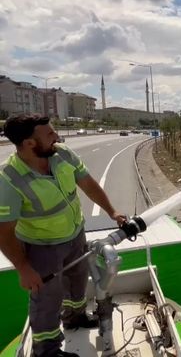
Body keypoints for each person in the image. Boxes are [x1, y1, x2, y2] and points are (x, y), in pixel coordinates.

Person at [0, 114, 126, 357]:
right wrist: (23, 267)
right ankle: (46, 350)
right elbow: (3, 231)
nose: (56, 136)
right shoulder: (9, 179)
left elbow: (88, 184)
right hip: (42, 247)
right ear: (29, 143)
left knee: (78, 280)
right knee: (46, 298)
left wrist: (112, 211)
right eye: (49, 134)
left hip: (75, 234)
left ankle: (74, 318)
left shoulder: (63, 154)